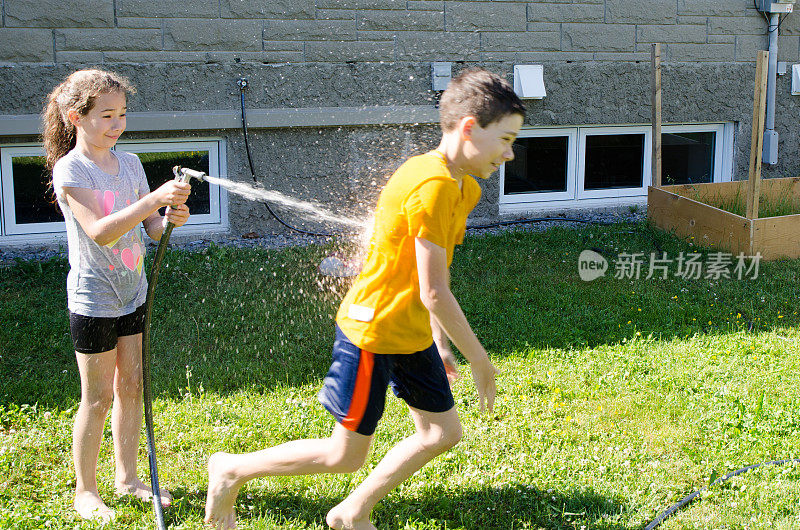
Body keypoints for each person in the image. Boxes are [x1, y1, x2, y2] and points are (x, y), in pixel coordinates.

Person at [204, 67, 525, 530]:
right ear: (469, 128)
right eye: (506, 139)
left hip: (409, 330)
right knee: (344, 455)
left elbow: (429, 279)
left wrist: (439, 340)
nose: (511, 153)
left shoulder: (464, 186)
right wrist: (479, 360)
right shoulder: (431, 185)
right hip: (373, 330)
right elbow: (436, 291)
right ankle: (230, 469)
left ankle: (351, 513)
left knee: (441, 432)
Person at [43, 68, 192, 522]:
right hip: (94, 299)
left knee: (131, 388)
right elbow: (102, 232)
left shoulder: (130, 164)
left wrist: (170, 217)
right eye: (106, 115)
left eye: (122, 114)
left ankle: (127, 477)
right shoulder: (72, 169)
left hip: (133, 292)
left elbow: (148, 227)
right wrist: (153, 201)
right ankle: (85, 491)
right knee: (98, 398)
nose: (116, 124)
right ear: (75, 117)